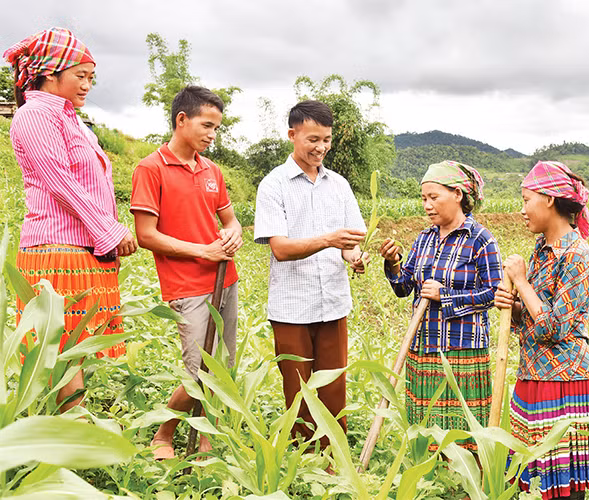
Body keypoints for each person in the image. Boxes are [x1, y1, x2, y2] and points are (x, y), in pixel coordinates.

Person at [4, 27, 137, 413]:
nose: (87, 85)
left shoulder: (73, 121)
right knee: (61, 350)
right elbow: (61, 182)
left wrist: (103, 235)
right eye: (81, 76)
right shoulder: (33, 116)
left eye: (91, 78)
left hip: (78, 248)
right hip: (55, 249)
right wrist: (109, 231)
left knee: (76, 349)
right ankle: (67, 439)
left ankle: (69, 437)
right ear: (51, 72)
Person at [131, 86, 243, 459]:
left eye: (216, 128)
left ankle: (207, 438)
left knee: (221, 368)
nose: (212, 134)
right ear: (182, 120)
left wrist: (232, 234)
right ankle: (163, 434)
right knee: (198, 371)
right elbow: (146, 236)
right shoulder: (150, 169)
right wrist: (203, 251)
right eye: (207, 125)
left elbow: (230, 220)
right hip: (187, 285)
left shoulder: (212, 170)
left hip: (225, 279)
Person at [254, 100, 367, 451]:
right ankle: (303, 459)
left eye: (327, 140)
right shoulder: (274, 185)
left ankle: (334, 454)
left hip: (333, 301)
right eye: (313, 139)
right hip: (292, 305)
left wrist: (353, 255)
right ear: (293, 134)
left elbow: (350, 241)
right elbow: (281, 249)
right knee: (299, 388)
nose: (321, 148)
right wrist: (329, 240)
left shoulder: (340, 185)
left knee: (334, 386)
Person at [495, 161, 589, 500]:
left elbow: (554, 327)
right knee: (533, 481)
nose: (522, 210)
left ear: (550, 200)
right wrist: (510, 306)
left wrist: (523, 283)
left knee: (563, 487)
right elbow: (531, 318)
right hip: (533, 375)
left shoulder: (577, 254)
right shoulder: (540, 250)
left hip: (564, 381)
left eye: (526, 200)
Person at [379, 161, 502, 451]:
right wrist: (393, 263)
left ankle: (467, 488)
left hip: (462, 349)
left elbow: (495, 293)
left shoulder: (480, 240)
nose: (427, 205)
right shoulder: (423, 239)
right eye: (423, 199)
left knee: (463, 432)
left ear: (458, 194)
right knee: (426, 431)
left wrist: (445, 295)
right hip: (423, 346)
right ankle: (429, 483)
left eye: (434, 197)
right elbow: (404, 287)